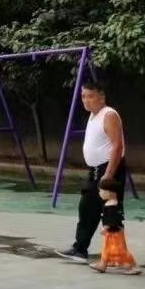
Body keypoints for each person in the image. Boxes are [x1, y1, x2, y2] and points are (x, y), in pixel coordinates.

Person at [58, 80, 127, 263]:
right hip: (95, 170)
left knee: (111, 213)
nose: (86, 100)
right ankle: (80, 249)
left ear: (101, 97)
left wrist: (108, 175)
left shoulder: (109, 115)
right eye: (83, 96)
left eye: (90, 96)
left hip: (109, 169)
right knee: (87, 208)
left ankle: (118, 256)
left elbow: (117, 146)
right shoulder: (93, 115)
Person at [91, 178, 140, 274]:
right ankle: (102, 265)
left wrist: (106, 228)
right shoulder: (113, 203)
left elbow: (112, 220)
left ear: (109, 193)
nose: (100, 193)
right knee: (106, 249)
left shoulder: (111, 206)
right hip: (112, 232)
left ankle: (132, 267)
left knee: (119, 250)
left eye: (101, 191)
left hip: (114, 233)